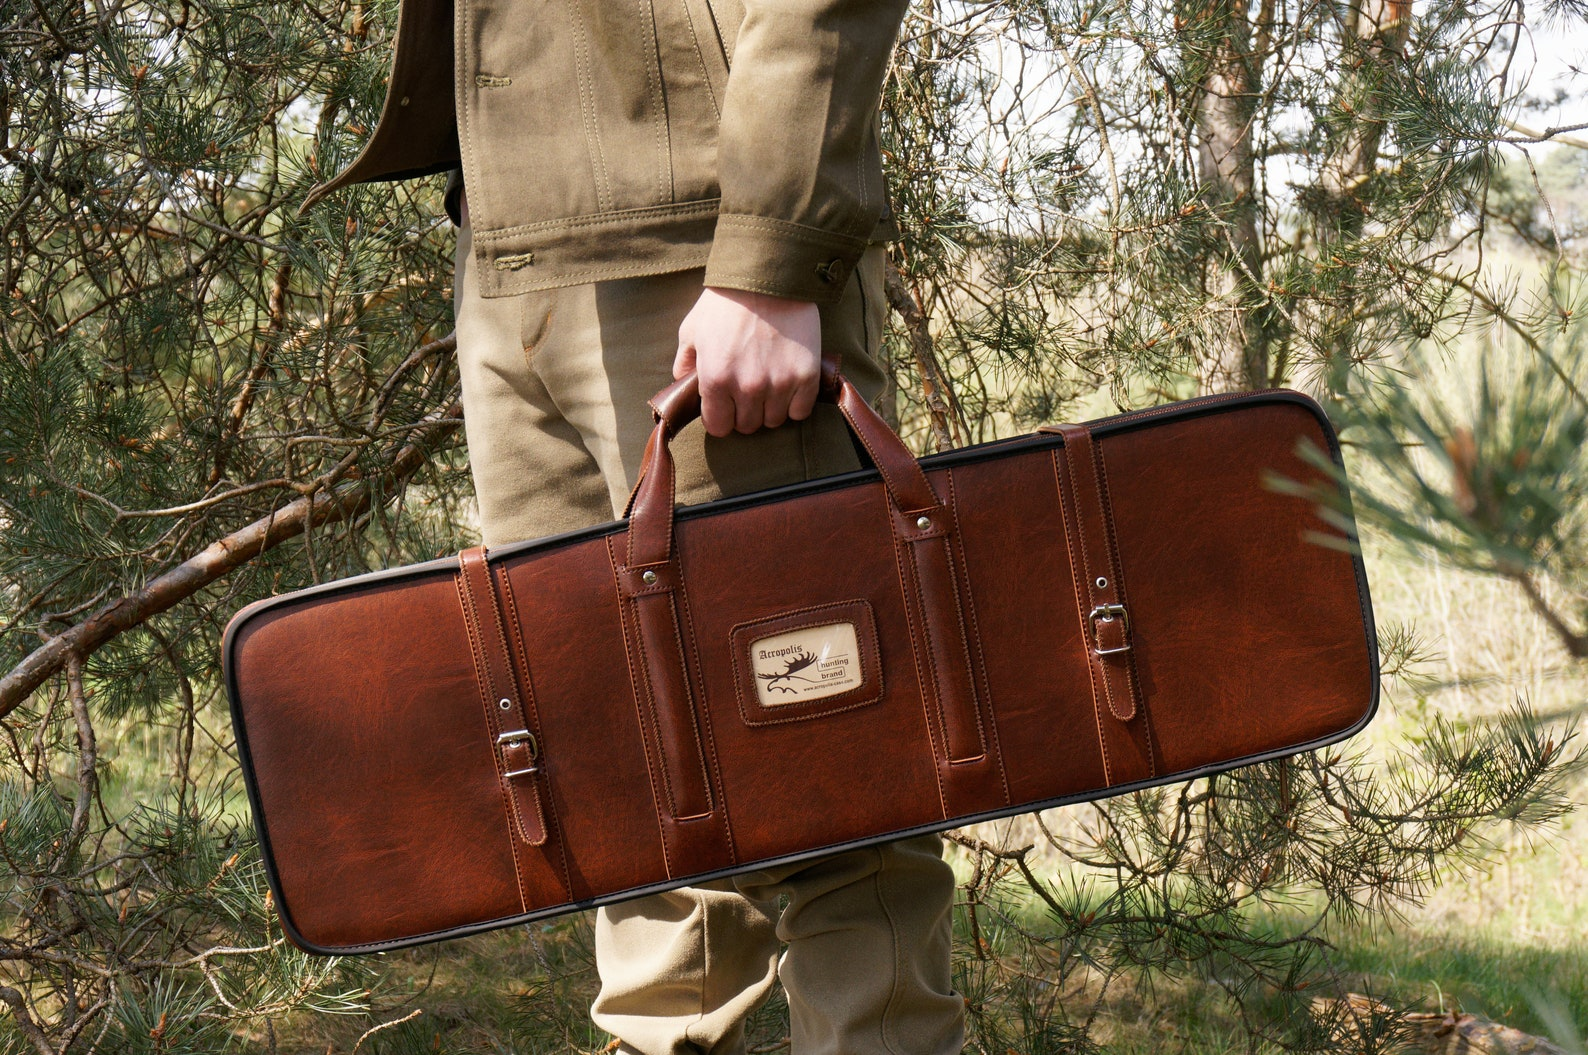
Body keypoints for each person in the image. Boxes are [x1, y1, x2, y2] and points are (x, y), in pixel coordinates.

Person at [298, 2, 966, 1053]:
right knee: (620, 775)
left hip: (699, 250)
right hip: (506, 246)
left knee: (831, 789)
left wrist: (771, 250)